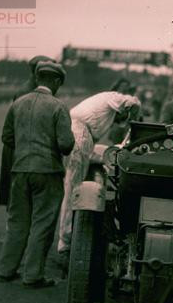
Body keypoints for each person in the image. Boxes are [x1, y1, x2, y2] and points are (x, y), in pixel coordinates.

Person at [0, 61, 74, 287]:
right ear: (56, 81)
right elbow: (66, 144)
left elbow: (7, 137)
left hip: (20, 169)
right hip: (47, 172)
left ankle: (6, 268)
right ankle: (32, 275)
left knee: (17, 221)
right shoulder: (58, 107)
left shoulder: (18, 104)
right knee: (42, 223)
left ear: (38, 78)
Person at [57, 88, 141, 255]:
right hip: (79, 132)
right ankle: (65, 240)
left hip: (81, 132)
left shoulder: (104, 104)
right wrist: (134, 118)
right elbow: (132, 102)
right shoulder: (114, 98)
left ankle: (66, 237)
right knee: (73, 187)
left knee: (72, 184)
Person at [0, 55, 54, 207]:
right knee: (18, 199)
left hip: (21, 147)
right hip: (19, 148)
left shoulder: (32, 90)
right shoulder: (26, 93)